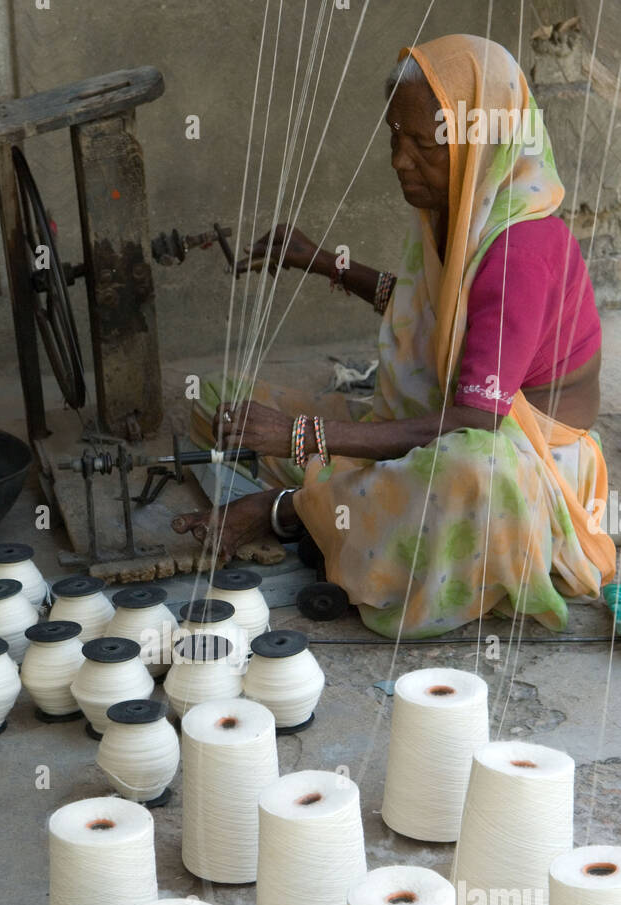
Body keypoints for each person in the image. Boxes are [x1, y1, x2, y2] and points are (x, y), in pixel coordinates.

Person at [171, 34, 617, 638]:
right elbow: (428, 309)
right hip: (442, 418)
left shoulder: (521, 248)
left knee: (467, 474)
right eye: (394, 137)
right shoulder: (459, 207)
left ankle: (288, 512)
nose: (400, 160)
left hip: (522, 462)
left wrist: (303, 437)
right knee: (221, 400)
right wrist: (323, 261)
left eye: (423, 145)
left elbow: (475, 421)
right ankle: (337, 496)